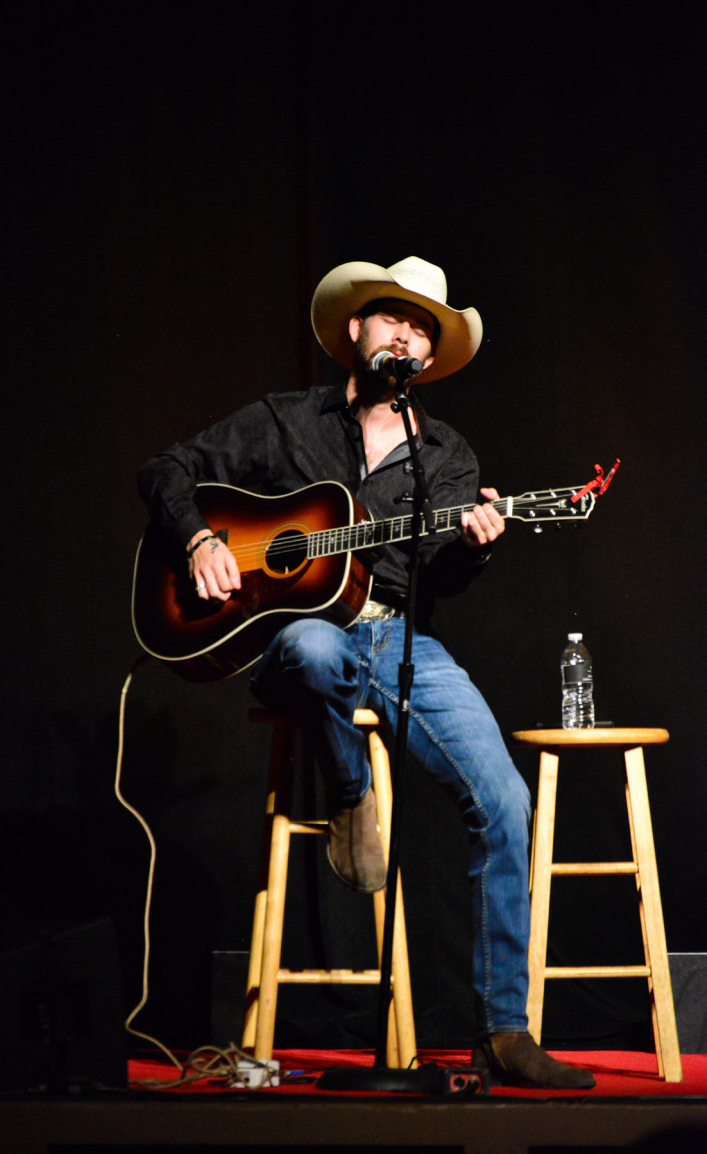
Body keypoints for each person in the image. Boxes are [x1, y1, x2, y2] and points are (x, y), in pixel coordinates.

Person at [138, 256, 596, 1089]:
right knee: (315, 647)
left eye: (423, 328)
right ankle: (351, 796)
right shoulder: (283, 420)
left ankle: (503, 1029)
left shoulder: (446, 456)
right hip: (295, 641)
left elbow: (439, 578)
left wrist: (476, 545)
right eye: (393, 317)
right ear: (356, 329)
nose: (406, 336)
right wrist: (201, 540)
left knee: (506, 800)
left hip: (397, 639)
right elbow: (166, 469)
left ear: (431, 356)